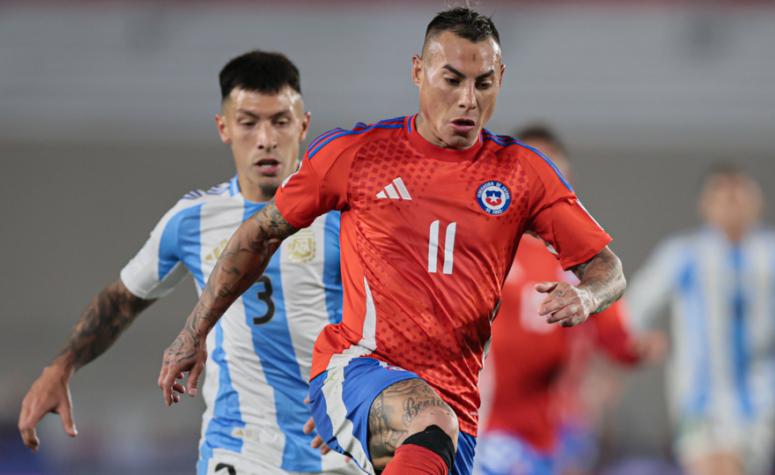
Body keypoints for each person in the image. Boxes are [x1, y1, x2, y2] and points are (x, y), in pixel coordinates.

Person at [158, 8, 626, 475]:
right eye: (452, 80)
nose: (467, 100)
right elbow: (259, 233)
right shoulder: (358, 155)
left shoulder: (523, 174)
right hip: (356, 369)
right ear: (418, 71)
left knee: (434, 427)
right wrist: (194, 331)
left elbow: (607, 268)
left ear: (501, 77)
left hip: (455, 407)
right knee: (430, 420)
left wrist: (586, 296)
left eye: (483, 84)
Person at [18, 50, 359, 475]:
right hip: (238, 448)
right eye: (249, 122)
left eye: (280, 121)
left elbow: (398, 316)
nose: (266, 138)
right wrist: (61, 367)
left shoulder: (345, 217)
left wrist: (359, 397)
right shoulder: (193, 219)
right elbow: (124, 298)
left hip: (337, 445)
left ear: (304, 124)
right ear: (224, 128)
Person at [626, 164, 775, 475]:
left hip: (760, 395)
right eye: (721, 194)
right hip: (695, 393)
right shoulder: (683, 254)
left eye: (739, 193)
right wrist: (636, 336)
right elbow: (639, 300)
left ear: (758, 202)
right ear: (704, 204)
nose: (731, 202)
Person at [474, 125, 660, 475]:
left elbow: (613, 333)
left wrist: (635, 348)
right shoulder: (478, 251)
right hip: (487, 424)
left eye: (548, 171)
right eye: (526, 169)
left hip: (557, 428)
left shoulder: (580, 259)